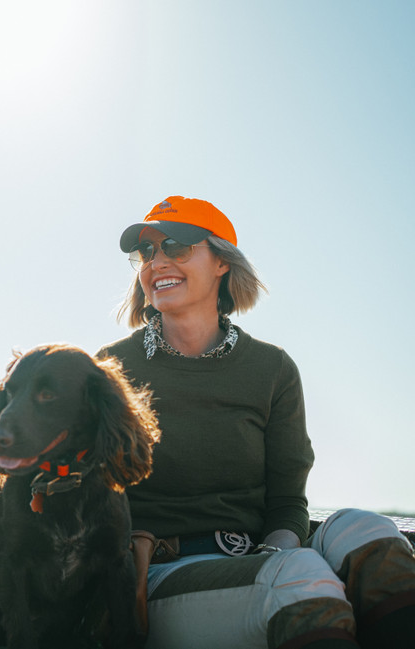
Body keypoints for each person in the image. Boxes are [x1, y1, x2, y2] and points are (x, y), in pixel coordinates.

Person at [97, 196, 415, 649]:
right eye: (146, 252)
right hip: (160, 575)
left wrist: (278, 553)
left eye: (176, 246)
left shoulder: (272, 369)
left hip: (262, 557)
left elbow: (287, 499)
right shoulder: (110, 369)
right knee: (298, 578)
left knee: (366, 528)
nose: (157, 262)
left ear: (222, 262)